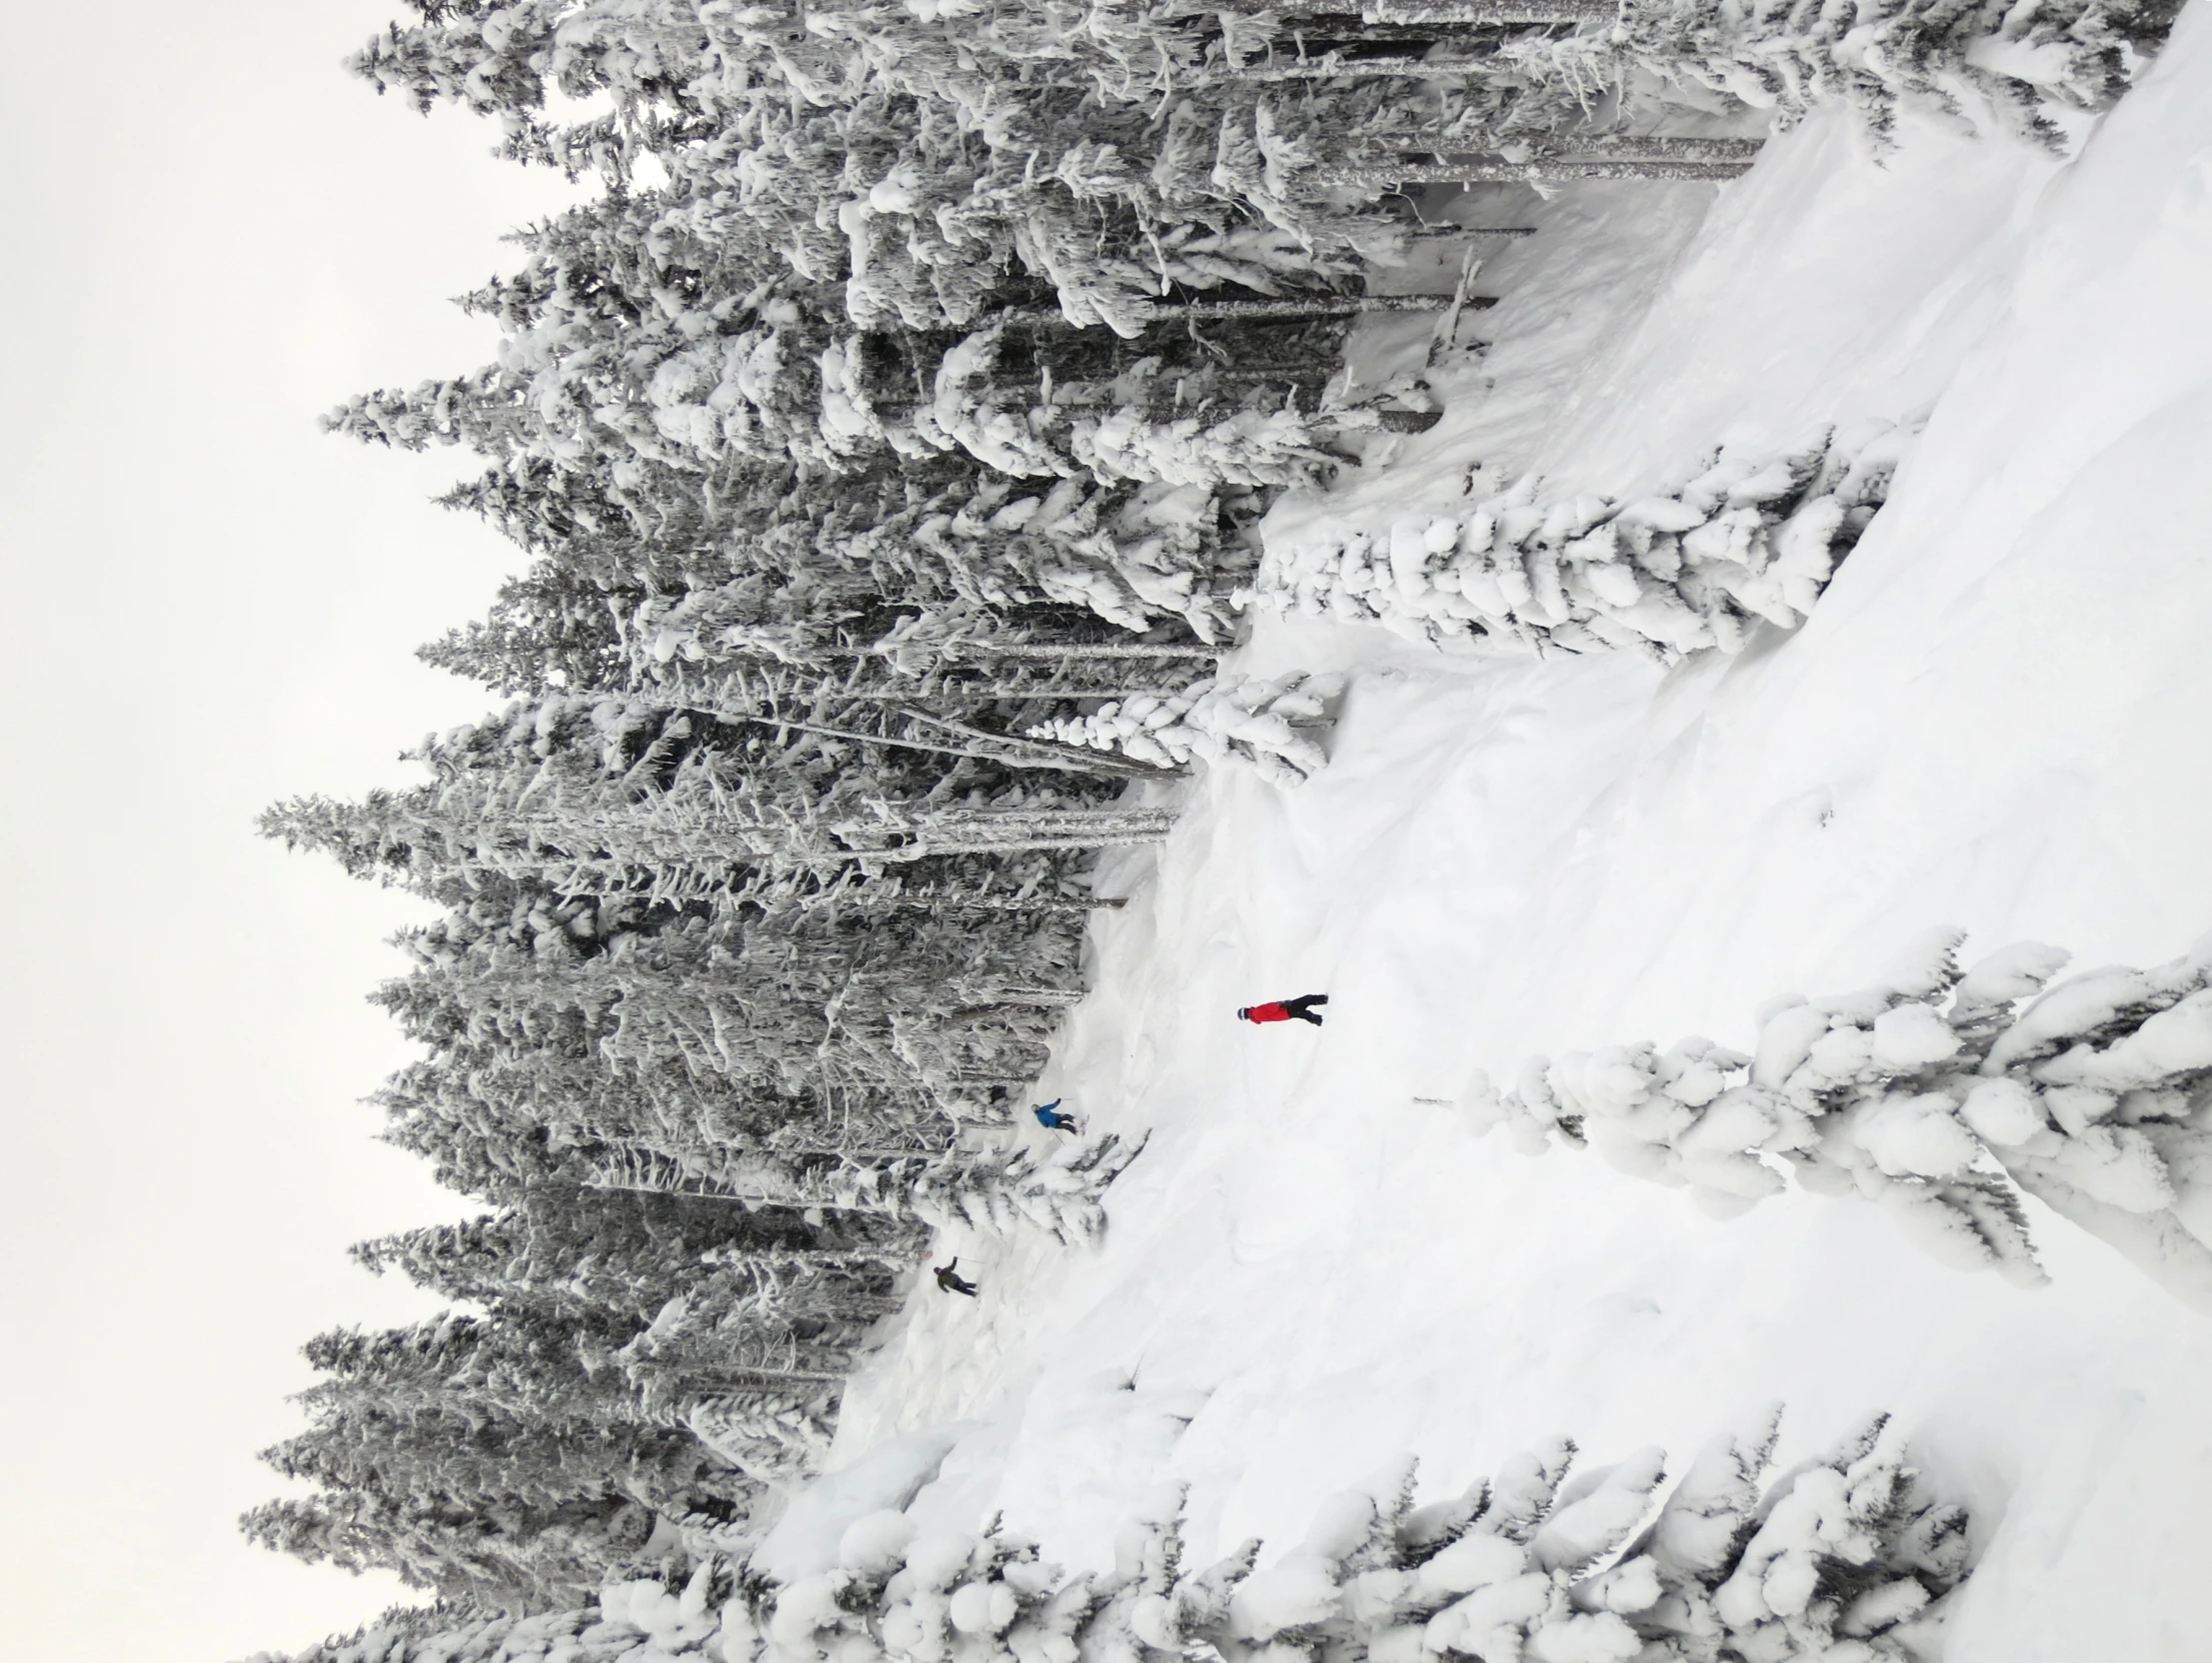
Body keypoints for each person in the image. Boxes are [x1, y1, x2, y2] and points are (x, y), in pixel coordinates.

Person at [1238, 993, 1329, 1027]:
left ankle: (1323, 1021)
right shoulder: (1256, 1013)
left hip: (1286, 1013)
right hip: (1286, 1009)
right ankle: (1325, 1001)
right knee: (1307, 1001)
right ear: (1246, 1011)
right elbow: (1269, 1008)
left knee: (1305, 1012)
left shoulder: (1256, 1016)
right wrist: (1281, 1004)